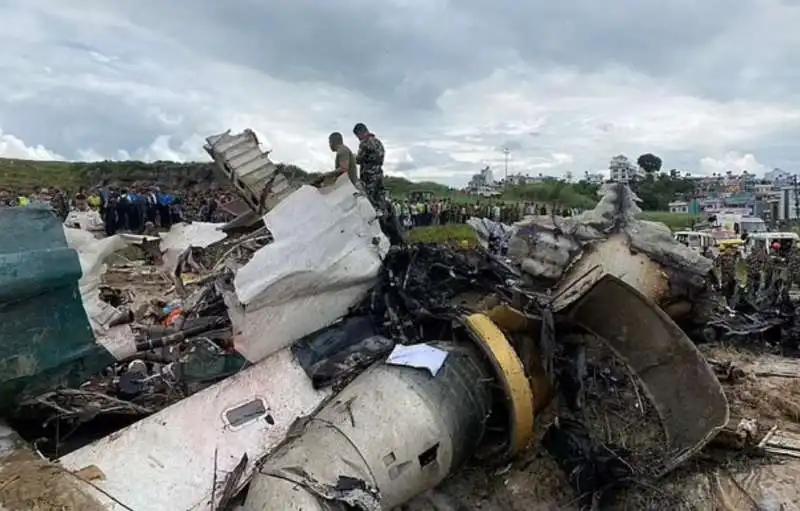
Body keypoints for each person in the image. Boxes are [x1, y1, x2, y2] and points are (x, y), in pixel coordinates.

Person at [353, 122, 385, 210]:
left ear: (360, 132)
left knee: (369, 200)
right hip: (379, 173)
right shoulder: (378, 142)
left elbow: (359, 159)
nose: (358, 139)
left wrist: (353, 157)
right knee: (380, 200)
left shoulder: (365, 143)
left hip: (369, 175)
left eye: (357, 136)